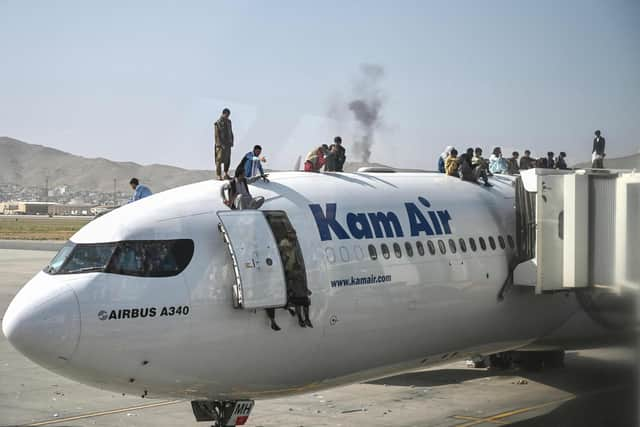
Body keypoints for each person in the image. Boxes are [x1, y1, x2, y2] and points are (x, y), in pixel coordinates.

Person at [280, 235, 313, 328]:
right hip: (291, 278)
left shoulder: (292, 253)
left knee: (303, 302)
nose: (285, 249)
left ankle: (305, 318)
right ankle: (301, 319)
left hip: (295, 279)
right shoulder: (285, 255)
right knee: (299, 302)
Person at [214, 108, 234, 180]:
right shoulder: (218, 122)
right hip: (220, 145)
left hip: (228, 144)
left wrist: (232, 141)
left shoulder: (229, 122)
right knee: (219, 160)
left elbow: (231, 132)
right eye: (227, 114)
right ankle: (219, 175)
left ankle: (226, 173)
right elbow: (217, 135)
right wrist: (220, 144)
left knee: (227, 159)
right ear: (224, 113)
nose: (228, 116)